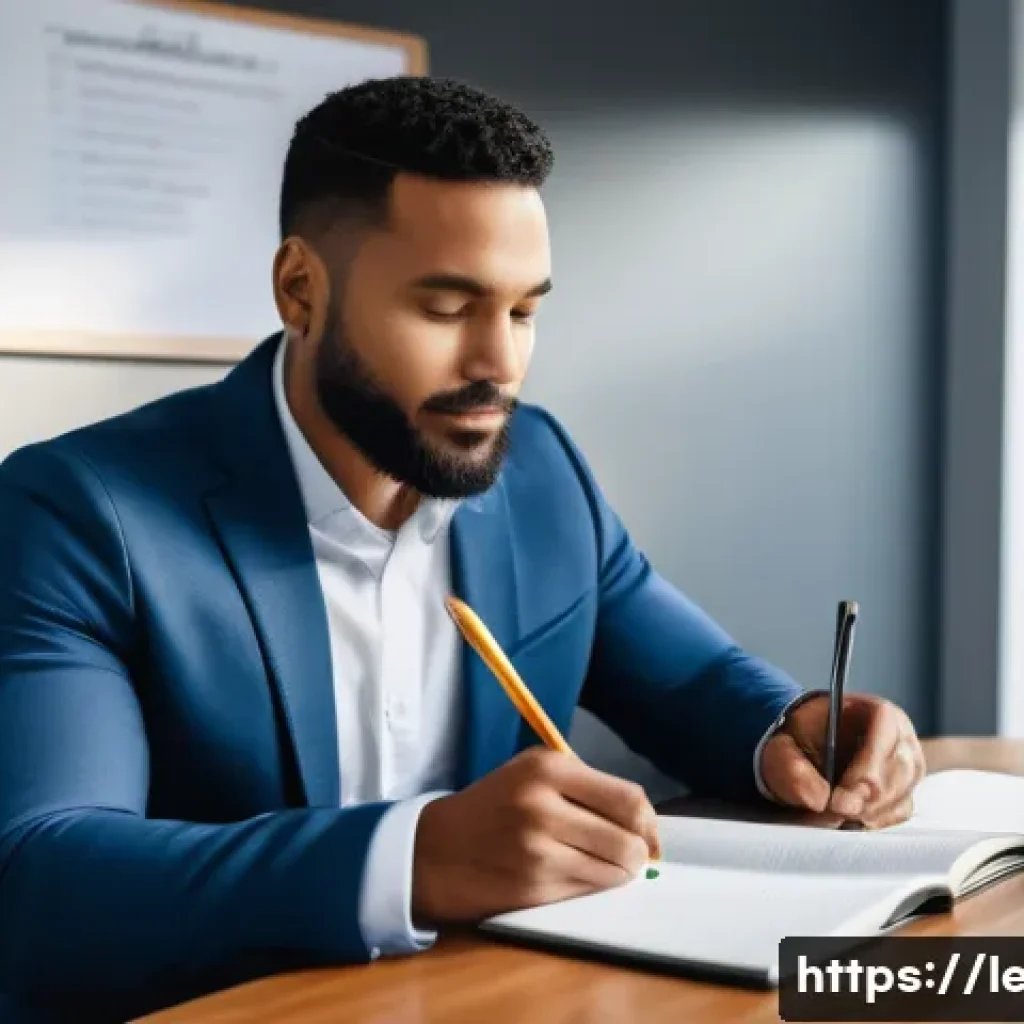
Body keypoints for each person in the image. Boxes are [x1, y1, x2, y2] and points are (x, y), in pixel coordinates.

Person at [0, 76, 924, 1022]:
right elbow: (40, 870)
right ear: (300, 289)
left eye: (523, 312)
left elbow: (691, 682)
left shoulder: (541, 470)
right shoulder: (77, 512)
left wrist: (791, 729)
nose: (501, 365)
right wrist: (414, 858)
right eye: (447, 309)